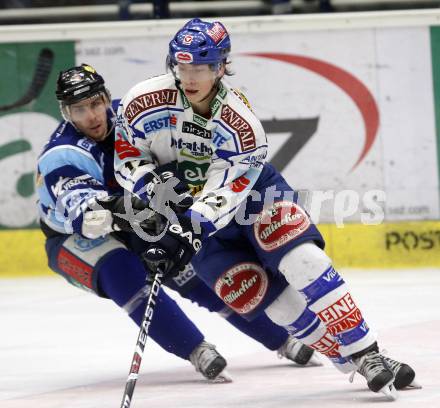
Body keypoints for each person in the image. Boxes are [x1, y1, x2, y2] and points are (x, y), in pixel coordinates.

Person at [114, 18, 419, 399]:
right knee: (264, 299)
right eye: (182, 66)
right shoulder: (143, 101)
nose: (189, 77)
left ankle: (368, 351)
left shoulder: (241, 123)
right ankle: (353, 361)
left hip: (254, 200)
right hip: (196, 223)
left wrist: (187, 226)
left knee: (303, 261)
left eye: (201, 67)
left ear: (221, 66)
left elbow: (229, 188)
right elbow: (127, 155)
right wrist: (158, 198)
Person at [36, 63, 320, 384]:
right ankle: (196, 349)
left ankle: (282, 338)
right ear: (65, 113)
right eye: (79, 109)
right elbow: (87, 216)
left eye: (96, 103)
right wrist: (133, 209)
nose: (92, 115)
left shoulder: (129, 117)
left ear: (107, 98)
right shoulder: (61, 154)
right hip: (72, 238)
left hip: (137, 219)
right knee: (122, 273)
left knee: (191, 271)